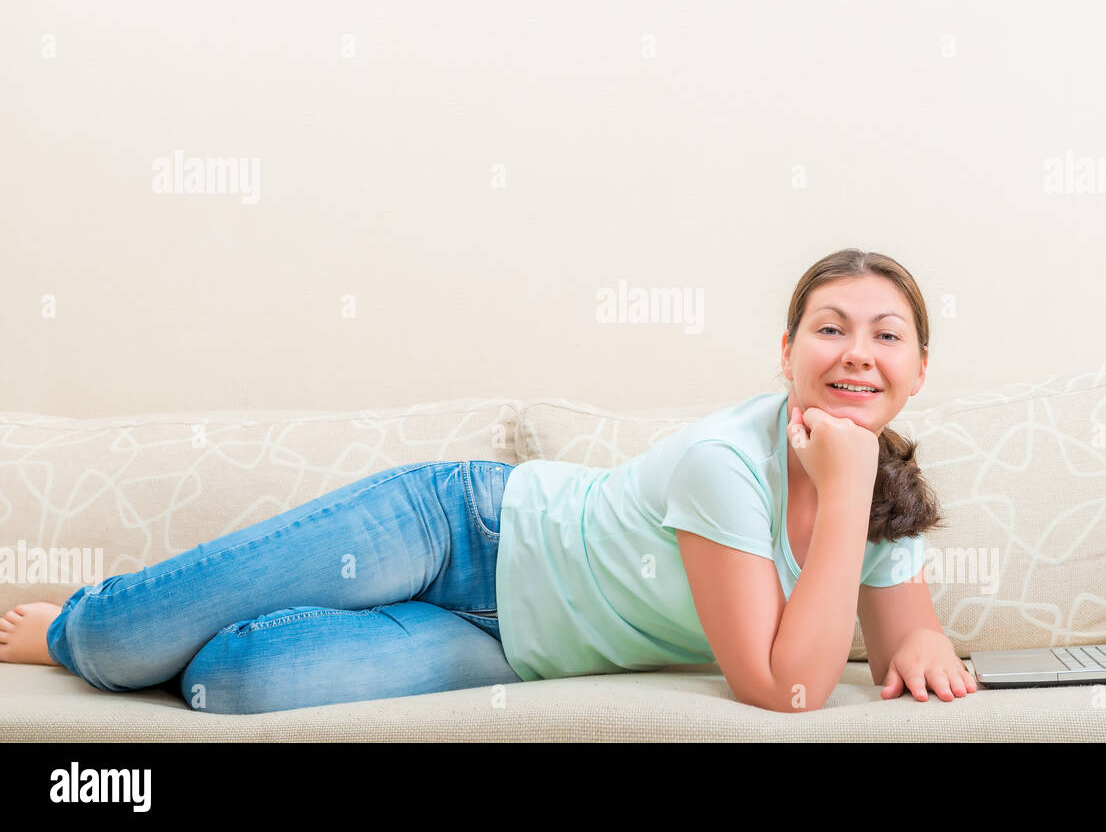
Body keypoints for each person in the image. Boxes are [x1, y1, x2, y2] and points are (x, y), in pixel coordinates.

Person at [0, 247, 974, 713]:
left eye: (886, 336)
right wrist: (844, 496)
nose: (856, 354)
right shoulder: (727, 461)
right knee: (121, 639)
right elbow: (782, 687)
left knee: (232, 682)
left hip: (516, 647)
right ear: (788, 351)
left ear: (919, 369)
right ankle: (80, 630)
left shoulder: (877, 494)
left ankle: (182, 635)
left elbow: (895, 640)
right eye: (830, 328)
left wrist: (922, 638)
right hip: (460, 528)